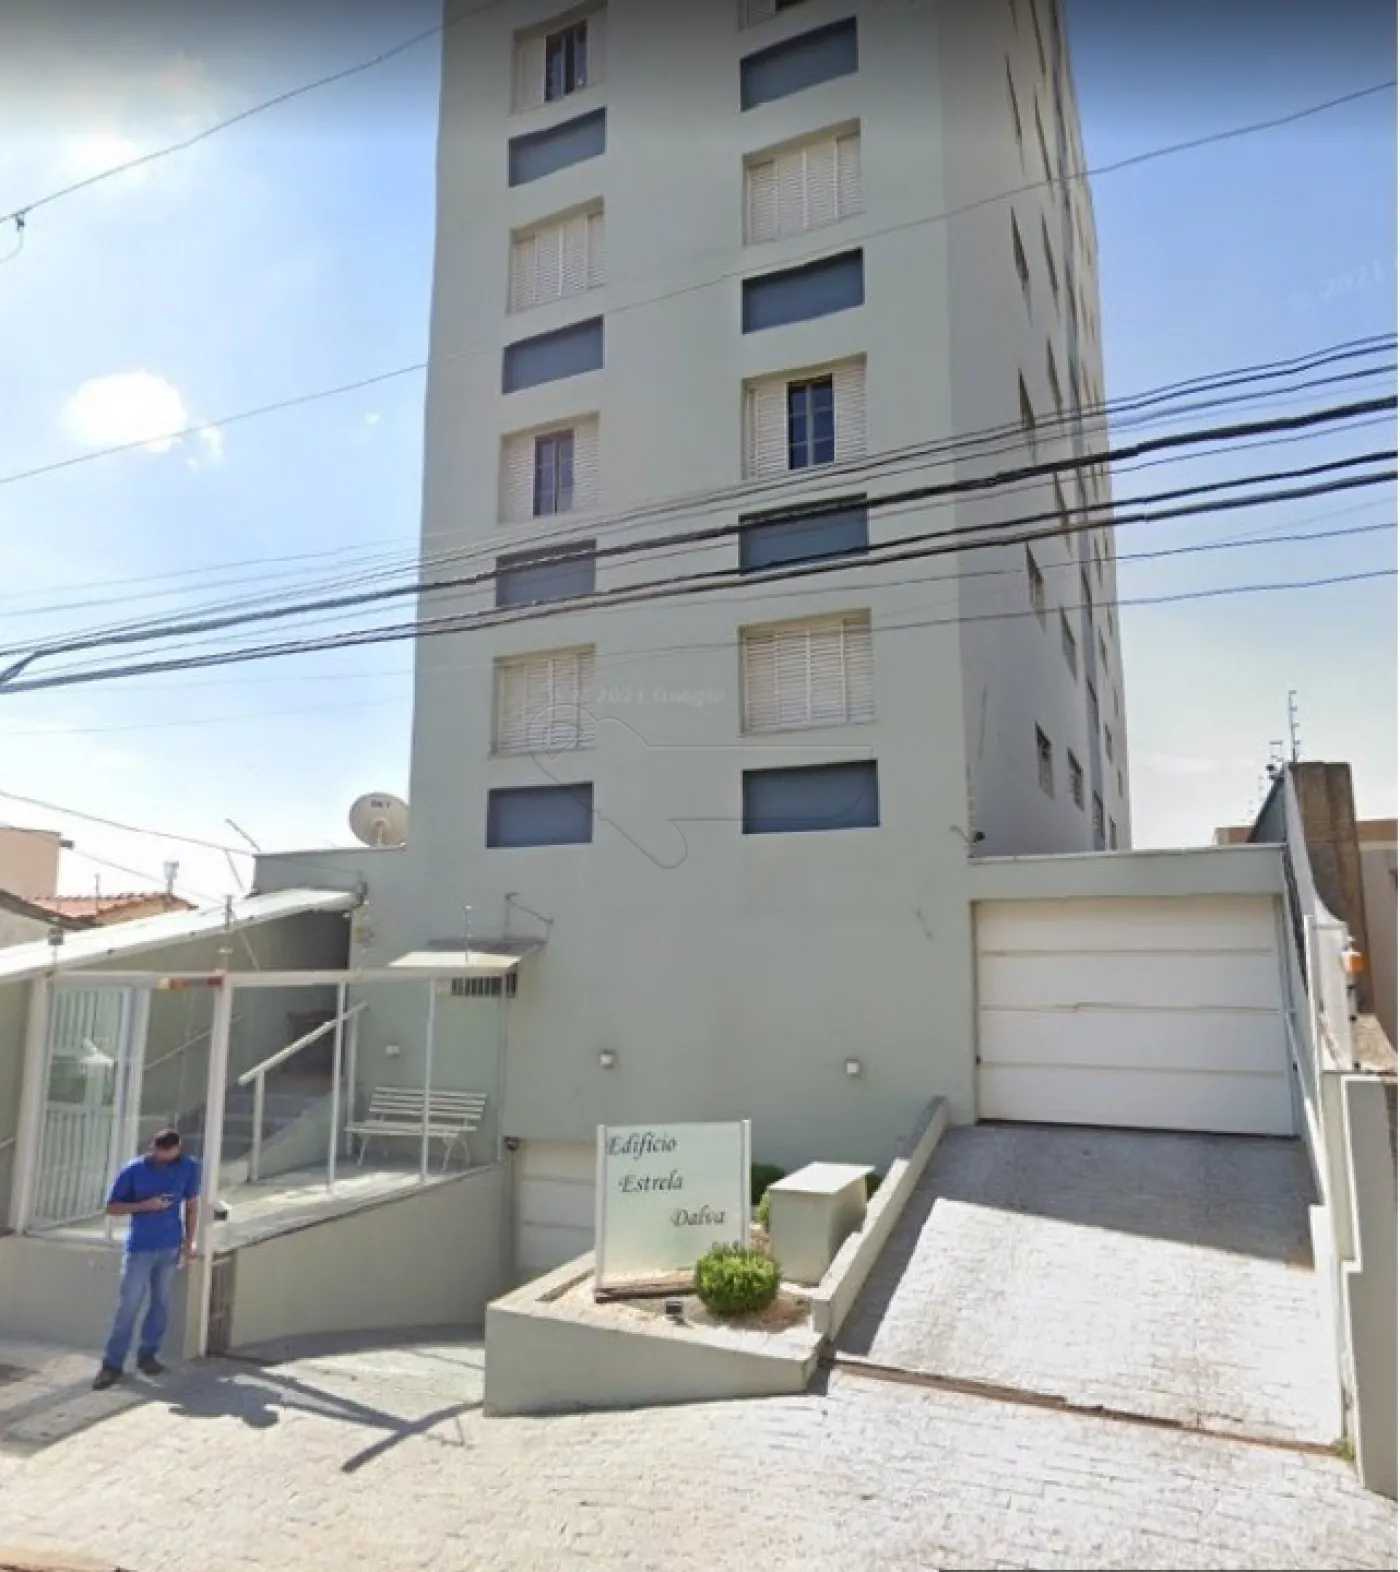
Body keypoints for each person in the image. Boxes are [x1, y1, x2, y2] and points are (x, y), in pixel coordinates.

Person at [93, 1128, 201, 1390]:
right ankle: (112, 1364)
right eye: (161, 1156)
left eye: (171, 1156)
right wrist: (145, 1206)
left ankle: (148, 1355)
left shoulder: (188, 1167)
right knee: (129, 1305)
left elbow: (191, 1205)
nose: (165, 1161)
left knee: (160, 1303)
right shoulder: (135, 1170)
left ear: (178, 1150)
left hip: (170, 1245)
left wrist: (188, 1243)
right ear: (154, 1148)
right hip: (140, 1248)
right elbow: (112, 1207)